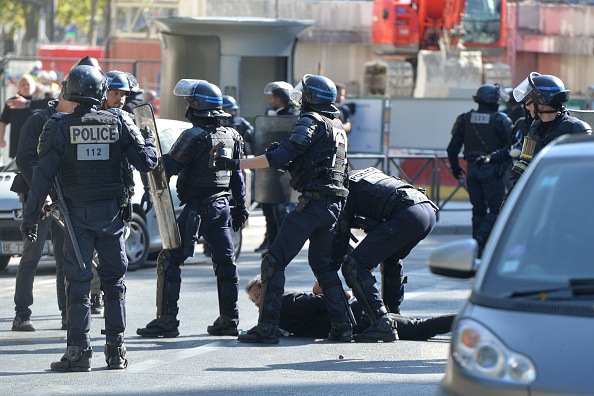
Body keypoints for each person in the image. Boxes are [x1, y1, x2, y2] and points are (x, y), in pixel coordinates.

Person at [20, 65, 158, 372]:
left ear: (70, 91)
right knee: (114, 283)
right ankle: (116, 351)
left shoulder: (59, 125)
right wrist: (148, 138)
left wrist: (30, 217)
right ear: (100, 92)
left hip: (76, 216)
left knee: (79, 284)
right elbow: (147, 161)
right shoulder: (120, 122)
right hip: (112, 215)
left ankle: (78, 353)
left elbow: (42, 177)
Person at [214, 74, 351, 344]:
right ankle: (343, 326)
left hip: (313, 203)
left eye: (304, 93)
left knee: (274, 261)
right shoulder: (336, 125)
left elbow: (281, 155)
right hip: (333, 204)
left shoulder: (311, 120)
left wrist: (235, 164)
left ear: (311, 98)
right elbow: (318, 163)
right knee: (323, 267)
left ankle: (267, 327)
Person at [136, 79, 248, 339]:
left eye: (189, 102)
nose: (186, 106)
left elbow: (167, 169)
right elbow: (238, 176)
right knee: (226, 263)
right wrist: (240, 205)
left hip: (198, 208)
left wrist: (149, 147)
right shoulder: (232, 135)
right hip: (222, 207)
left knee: (170, 259)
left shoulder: (192, 136)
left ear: (197, 106)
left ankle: (167, 321)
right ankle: (229, 319)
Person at [332, 167, 438, 341]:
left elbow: (339, 240)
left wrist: (327, 272)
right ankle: (393, 314)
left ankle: (381, 323)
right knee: (391, 259)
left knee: (355, 265)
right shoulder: (366, 174)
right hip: (425, 211)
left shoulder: (343, 187)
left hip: (408, 215)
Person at [10, 88, 76, 332]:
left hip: (63, 197)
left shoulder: (73, 120)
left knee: (65, 257)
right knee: (31, 256)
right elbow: (25, 158)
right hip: (35, 194)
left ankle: (67, 313)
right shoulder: (38, 120)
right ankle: (21, 314)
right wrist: (43, 191)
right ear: (62, 97)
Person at [245, 275, 455, 341]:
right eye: (254, 301)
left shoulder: (286, 301)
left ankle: (468, 320)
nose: (257, 303)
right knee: (418, 328)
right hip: (357, 319)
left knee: (420, 328)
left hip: (358, 316)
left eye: (259, 295)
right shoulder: (277, 311)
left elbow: (322, 301)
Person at [446, 84, 512, 257]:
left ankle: (476, 250)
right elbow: (512, 148)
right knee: (497, 210)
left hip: (472, 169)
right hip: (492, 170)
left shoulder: (465, 118)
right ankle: (479, 242)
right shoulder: (501, 120)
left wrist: (455, 168)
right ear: (494, 101)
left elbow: (452, 149)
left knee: (478, 210)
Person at [508, 72, 592, 190]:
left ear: (542, 104)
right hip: (541, 192)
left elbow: (585, 174)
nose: (527, 106)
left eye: (530, 100)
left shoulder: (577, 129)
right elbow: (526, 160)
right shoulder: (535, 126)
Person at [256, 81, 300, 256]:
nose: (270, 100)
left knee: (281, 210)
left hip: (285, 170)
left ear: (280, 99)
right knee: (268, 207)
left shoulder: (293, 116)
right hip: (269, 169)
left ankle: (281, 246)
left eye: (273, 97)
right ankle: (271, 243)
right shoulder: (270, 115)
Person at [0, 74, 51, 159]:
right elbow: (3, 121)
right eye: (23, 85)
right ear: (19, 87)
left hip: (36, 144)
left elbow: (52, 103)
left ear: (34, 86)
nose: (26, 87)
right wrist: (1, 138)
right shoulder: (12, 102)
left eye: (29, 84)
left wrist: (27, 104)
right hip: (17, 143)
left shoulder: (39, 101)